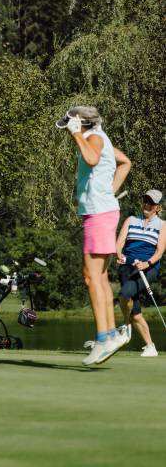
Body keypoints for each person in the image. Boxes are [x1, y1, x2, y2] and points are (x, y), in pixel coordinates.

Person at [55, 106, 131, 366]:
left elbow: (92, 159)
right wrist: (110, 190)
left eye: (71, 125)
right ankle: (109, 334)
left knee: (91, 277)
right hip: (101, 211)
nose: (68, 130)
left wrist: (77, 136)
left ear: (81, 124)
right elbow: (125, 162)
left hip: (99, 214)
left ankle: (103, 338)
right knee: (98, 276)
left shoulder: (94, 138)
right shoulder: (100, 137)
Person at [116, 189, 165, 357]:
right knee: (135, 310)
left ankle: (125, 326)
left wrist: (147, 263)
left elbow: (159, 252)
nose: (146, 204)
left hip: (148, 269)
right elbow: (120, 242)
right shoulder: (131, 220)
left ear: (158, 207)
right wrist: (119, 254)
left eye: (150, 202)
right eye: (145, 200)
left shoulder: (162, 225)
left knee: (125, 294)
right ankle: (151, 346)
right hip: (127, 266)